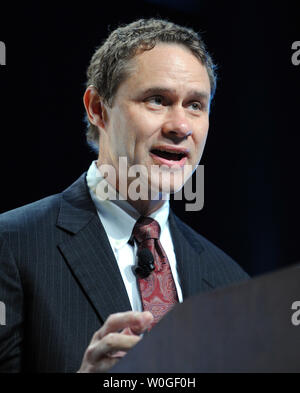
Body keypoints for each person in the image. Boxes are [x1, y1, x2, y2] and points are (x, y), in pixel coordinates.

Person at [0, 18, 249, 373]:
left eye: (196, 105)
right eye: (157, 100)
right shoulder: (12, 245)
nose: (180, 126)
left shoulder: (229, 282)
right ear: (98, 109)